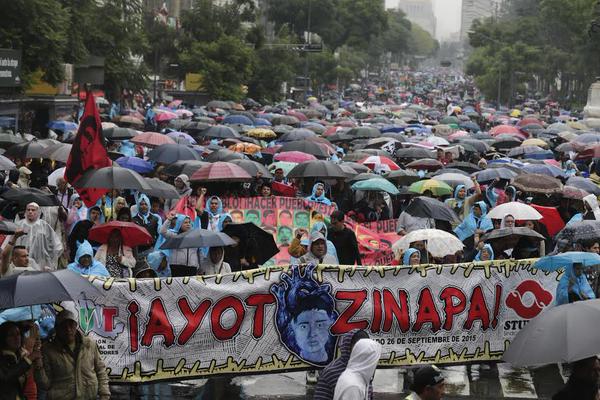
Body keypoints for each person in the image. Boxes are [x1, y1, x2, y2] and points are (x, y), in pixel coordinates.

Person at [35, 310, 110, 400]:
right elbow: (45, 385)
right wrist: (38, 367)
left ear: (76, 326)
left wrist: (104, 394)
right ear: (57, 329)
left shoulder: (89, 344)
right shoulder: (48, 350)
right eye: (64, 326)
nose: (68, 329)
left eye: (71, 325)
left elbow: (101, 370)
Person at [313, 330, 370, 400]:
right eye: (358, 347)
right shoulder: (331, 372)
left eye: (365, 347)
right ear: (348, 346)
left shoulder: (365, 370)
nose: (362, 351)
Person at [6, 202, 63, 271]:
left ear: (38, 212)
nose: (30, 212)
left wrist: (51, 261)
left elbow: (56, 245)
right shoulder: (19, 225)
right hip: (20, 264)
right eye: (28, 210)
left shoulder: (44, 226)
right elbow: (10, 242)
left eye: (33, 210)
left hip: (41, 263)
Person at [0, 321, 42, 400]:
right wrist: (29, 359)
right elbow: (7, 375)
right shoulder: (3, 358)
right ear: (3, 338)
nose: (17, 338)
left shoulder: (18, 356)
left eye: (18, 334)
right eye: (11, 335)